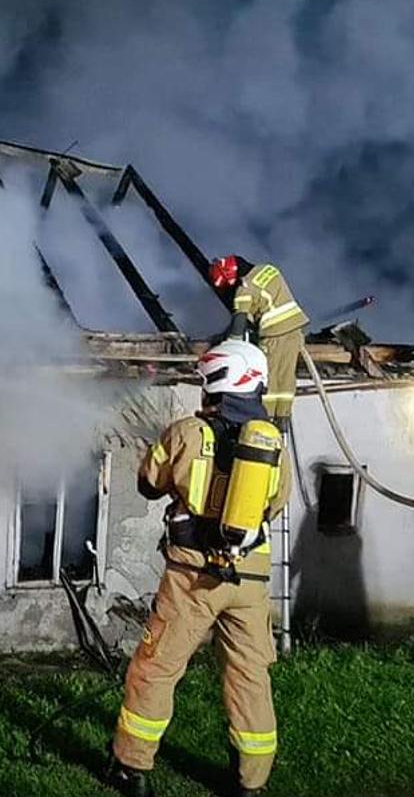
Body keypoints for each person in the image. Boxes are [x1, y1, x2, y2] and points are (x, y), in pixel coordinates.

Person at [107, 339, 287, 797]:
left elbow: (149, 482)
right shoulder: (273, 444)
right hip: (251, 578)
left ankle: (132, 767)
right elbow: (275, 505)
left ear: (213, 381)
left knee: (157, 667)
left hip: (195, 576)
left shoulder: (186, 432)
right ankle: (251, 782)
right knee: (249, 674)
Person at [209, 255, 309, 429]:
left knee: (268, 379)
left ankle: (266, 418)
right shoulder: (267, 269)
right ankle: (283, 416)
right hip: (295, 331)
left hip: (274, 335)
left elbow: (239, 325)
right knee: (285, 378)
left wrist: (227, 344)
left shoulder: (244, 289)